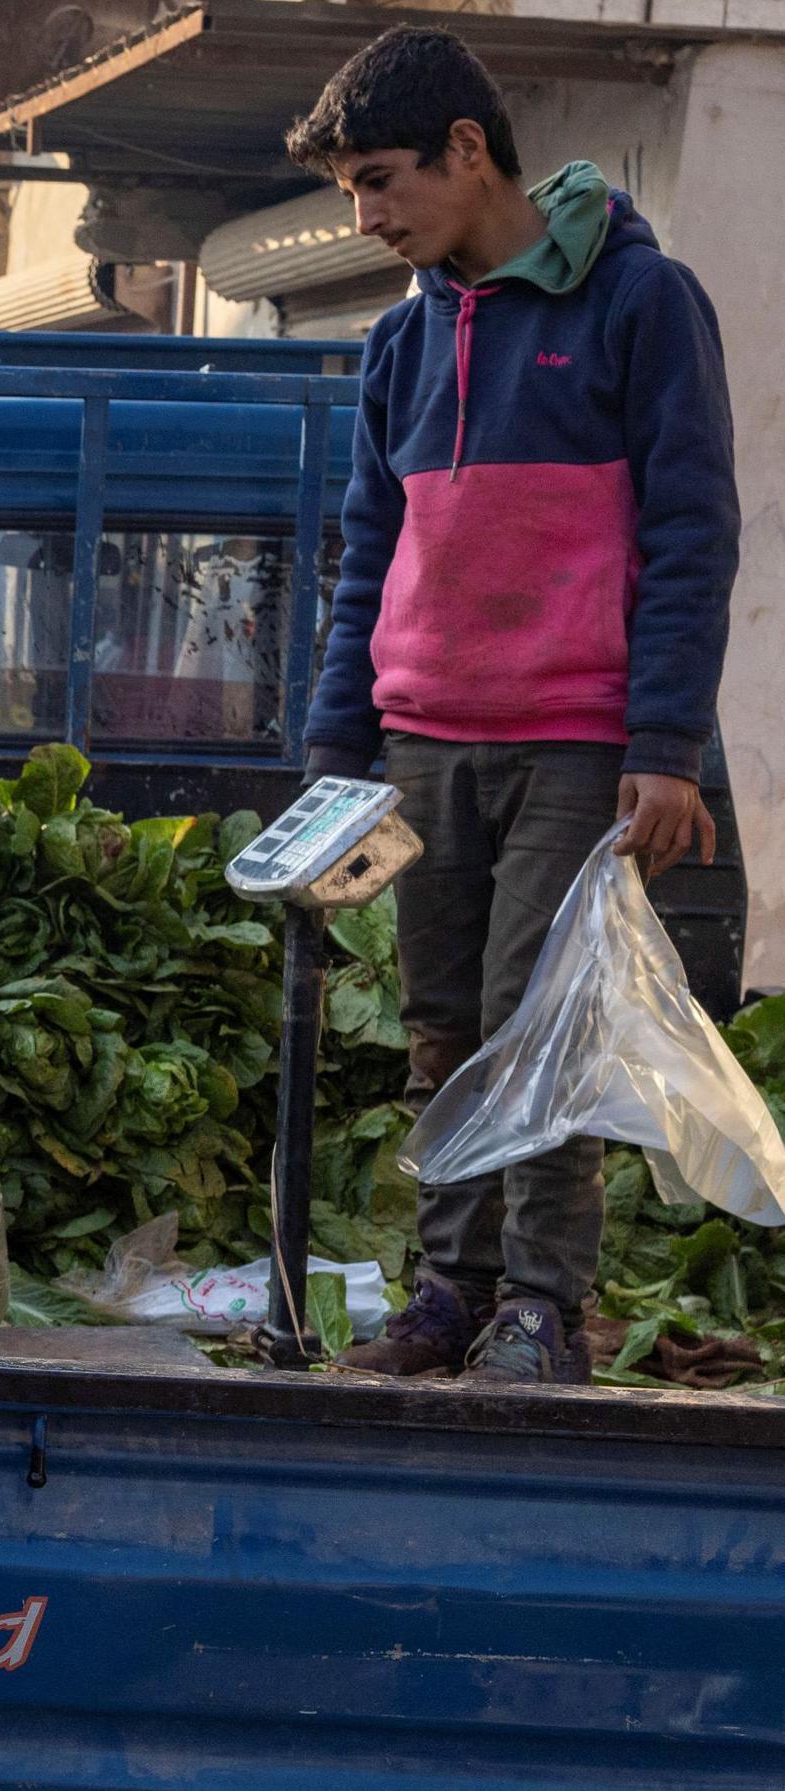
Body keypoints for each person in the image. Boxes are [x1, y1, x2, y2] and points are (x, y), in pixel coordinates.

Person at [284, 26, 737, 1386]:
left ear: (466, 153)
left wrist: (663, 745)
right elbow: (365, 555)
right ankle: (445, 1296)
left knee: (540, 1025)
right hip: (426, 741)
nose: (365, 219)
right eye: (351, 194)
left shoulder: (639, 301)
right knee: (441, 1030)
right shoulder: (397, 345)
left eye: (378, 183)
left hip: (577, 743)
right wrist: (332, 750)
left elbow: (690, 528)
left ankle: (542, 1307)